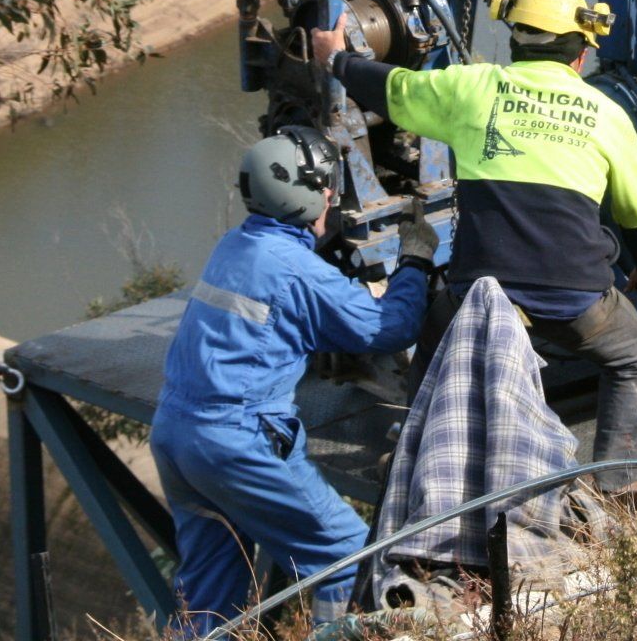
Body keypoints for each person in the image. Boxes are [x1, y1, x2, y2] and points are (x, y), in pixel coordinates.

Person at [311, 0, 637, 472]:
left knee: (435, 345)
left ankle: (413, 454)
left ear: (516, 42)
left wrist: (335, 58)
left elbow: (392, 88)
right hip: (574, 297)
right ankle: (613, 479)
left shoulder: (470, 87)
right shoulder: (607, 116)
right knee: (635, 358)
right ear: (581, 55)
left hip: (480, 292)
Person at [149, 125, 438, 632]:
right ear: (306, 197)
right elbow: (390, 328)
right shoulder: (294, 269)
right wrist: (414, 259)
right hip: (236, 440)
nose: (333, 198)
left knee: (211, 594)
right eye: (328, 189)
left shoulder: (235, 246)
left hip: (175, 432)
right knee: (346, 559)